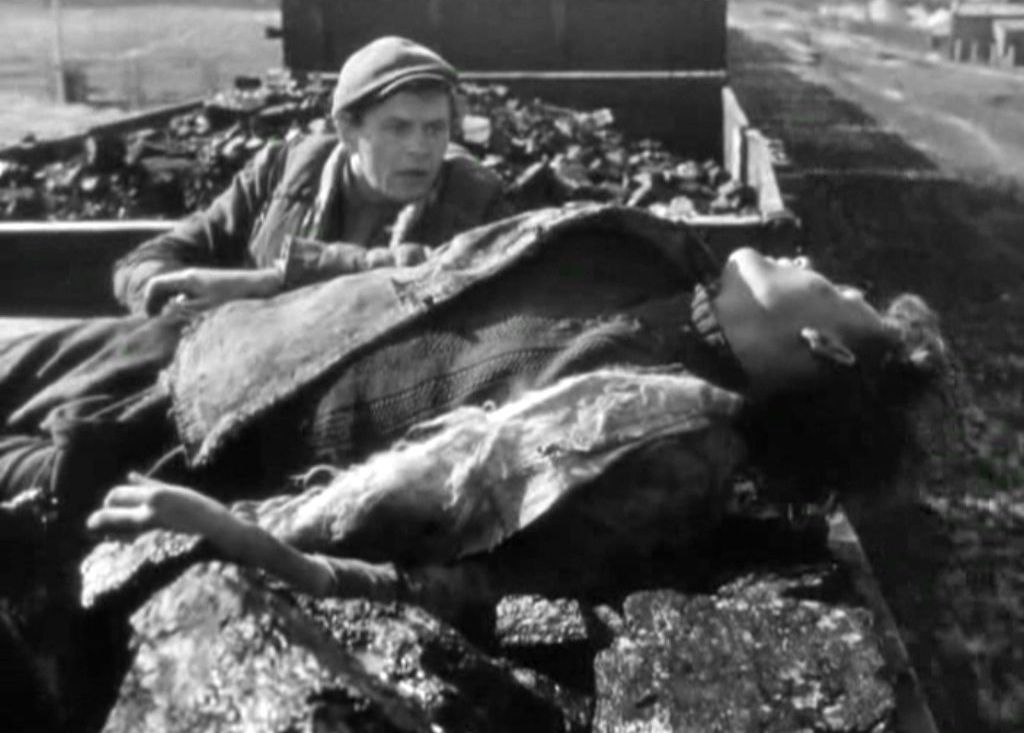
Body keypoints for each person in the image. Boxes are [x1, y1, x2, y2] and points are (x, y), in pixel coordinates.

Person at [79, 206, 950, 625]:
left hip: (197, 456)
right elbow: (433, 267)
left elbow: (479, 585)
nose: (817, 265)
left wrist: (259, 545)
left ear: (824, 349)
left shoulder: (673, 447)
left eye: (842, 293)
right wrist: (266, 279)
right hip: (221, 346)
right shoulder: (654, 252)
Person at [112, 36, 509, 316]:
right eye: (398, 128)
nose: (420, 148)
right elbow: (146, 260)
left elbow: (437, 271)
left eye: (435, 128)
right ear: (347, 130)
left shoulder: (475, 196)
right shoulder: (282, 171)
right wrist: (170, 298)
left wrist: (268, 283)